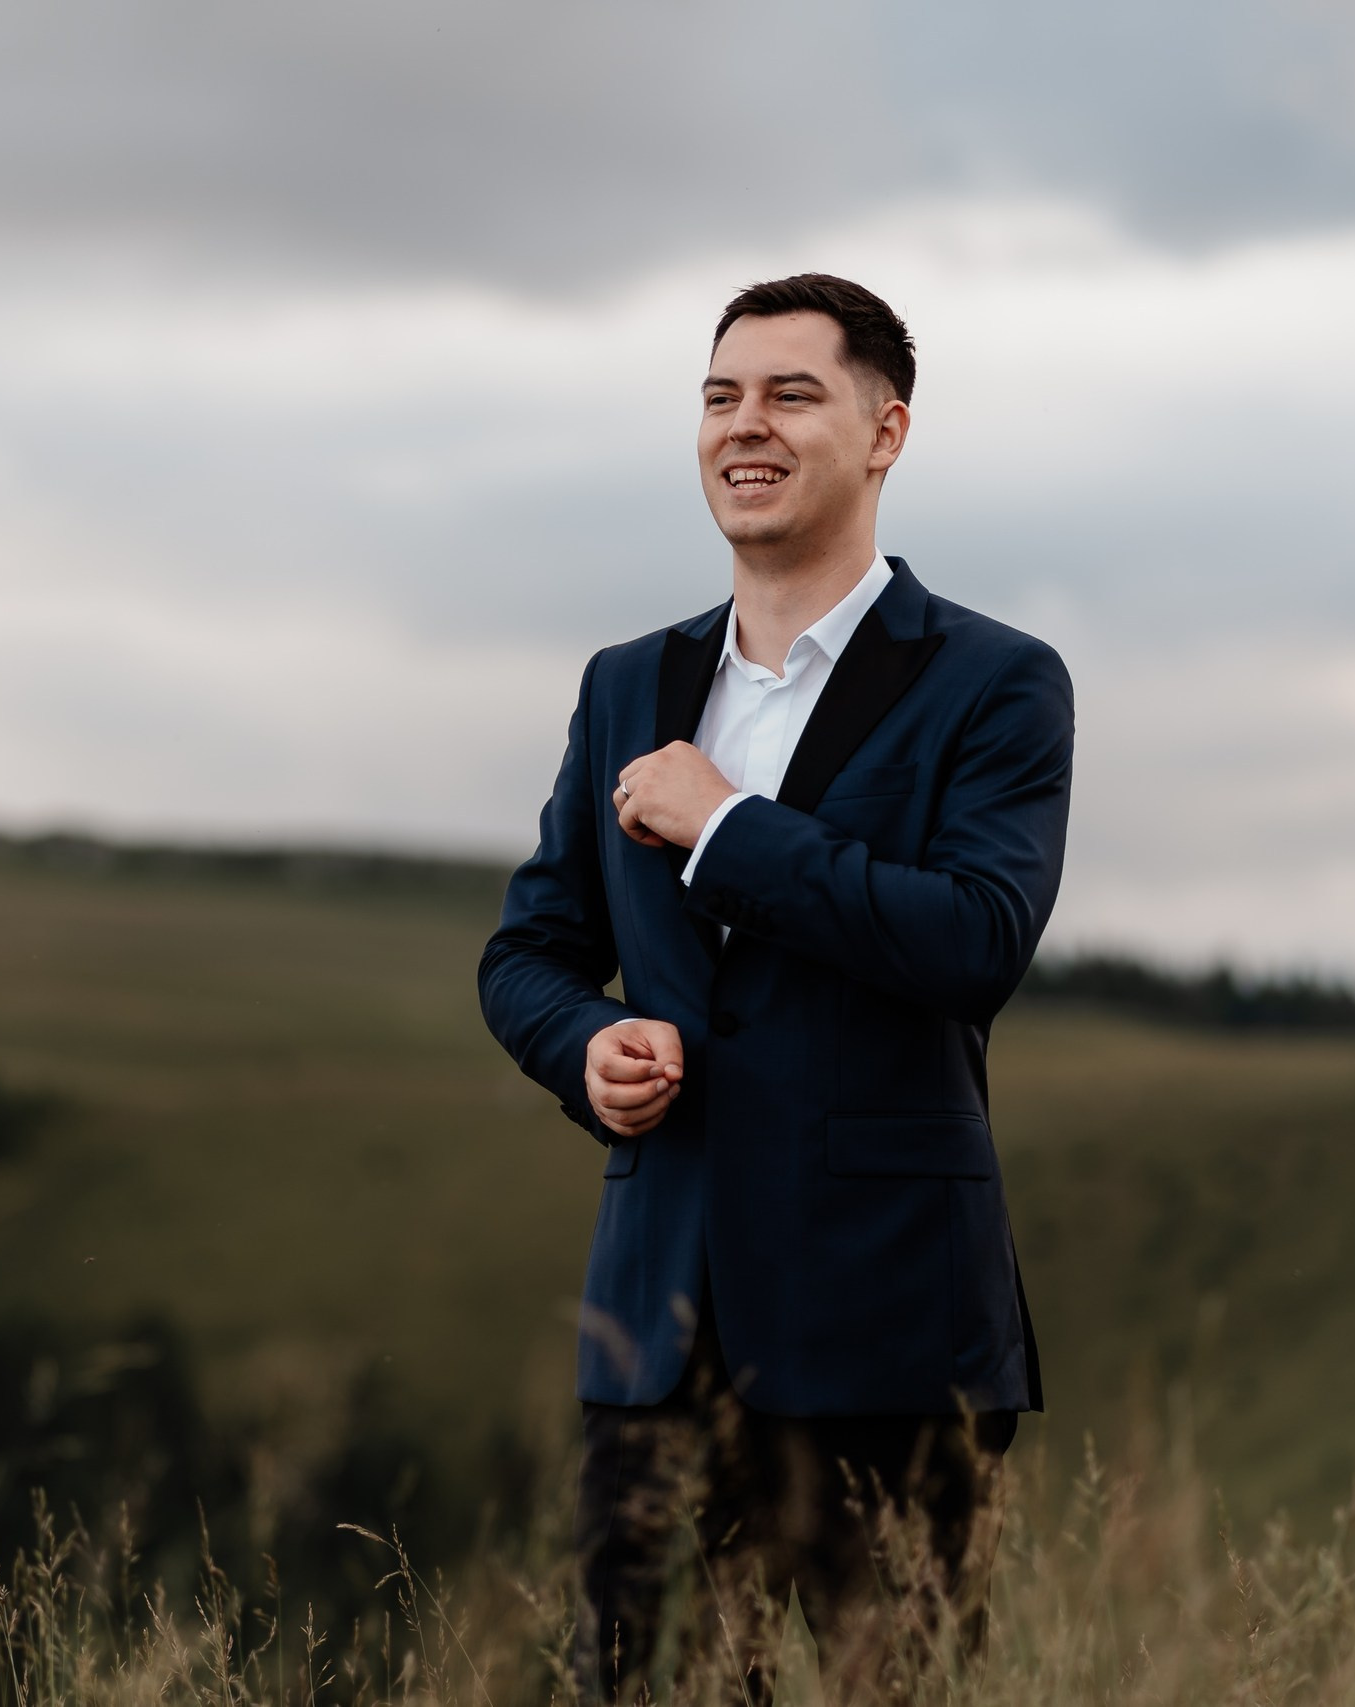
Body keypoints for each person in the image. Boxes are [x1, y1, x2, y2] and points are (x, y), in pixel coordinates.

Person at [478, 275, 1072, 1700]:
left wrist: (730, 826)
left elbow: (976, 940)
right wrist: (589, 1044)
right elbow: (528, 951)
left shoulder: (995, 682)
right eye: (719, 396)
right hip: (661, 1328)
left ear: (885, 431)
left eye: (791, 394)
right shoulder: (628, 682)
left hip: (895, 1339)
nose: (745, 426)